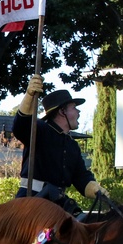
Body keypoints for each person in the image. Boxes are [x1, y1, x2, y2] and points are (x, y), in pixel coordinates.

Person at [12, 74, 105, 216]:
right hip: (31, 200)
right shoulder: (40, 130)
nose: (79, 112)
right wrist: (29, 96)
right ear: (62, 111)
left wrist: (95, 189)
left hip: (59, 203)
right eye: (74, 108)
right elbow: (20, 126)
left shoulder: (72, 145)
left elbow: (80, 177)